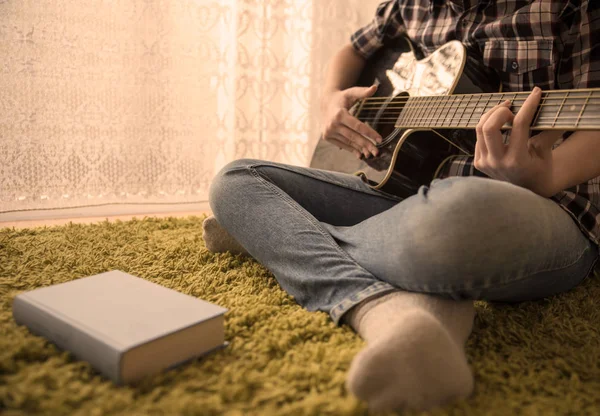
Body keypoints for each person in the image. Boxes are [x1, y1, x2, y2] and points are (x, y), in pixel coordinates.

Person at [203, 0, 600, 412]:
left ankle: (280, 235)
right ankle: (385, 309)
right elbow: (353, 50)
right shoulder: (410, 4)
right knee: (237, 180)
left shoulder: (569, 7)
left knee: (453, 218)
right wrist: (330, 101)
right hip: (404, 192)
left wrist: (545, 176)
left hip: (540, 205)